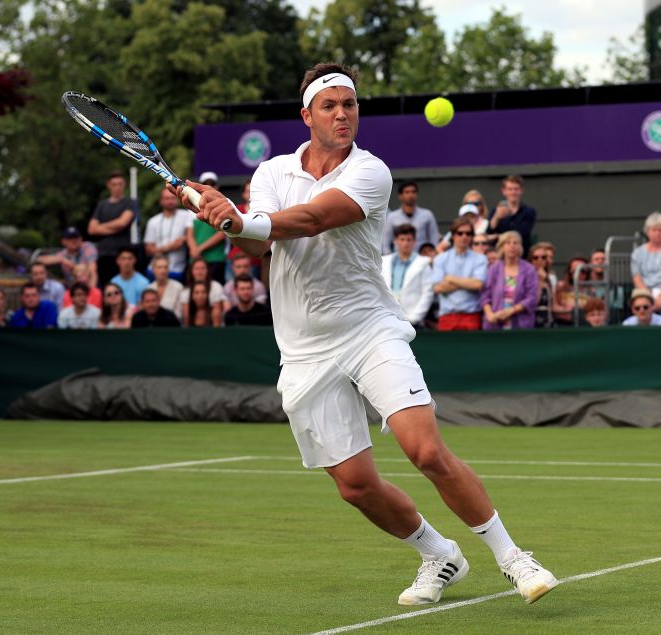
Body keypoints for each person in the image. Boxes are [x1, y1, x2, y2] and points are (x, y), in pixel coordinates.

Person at [171, 62, 557, 606]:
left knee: (425, 451)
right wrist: (223, 218)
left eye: (349, 104)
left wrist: (237, 219)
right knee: (355, 485)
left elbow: (308, 220)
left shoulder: (371, 172)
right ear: (306, 115)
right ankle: (438, 555)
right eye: (328, 105)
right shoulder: (272, 173)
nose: (341, 114)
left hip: (369, 329)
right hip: (303, 349)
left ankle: (514, 559)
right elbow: (259, 244)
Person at [432, 217, 488, 331]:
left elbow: (477, 285)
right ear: (453, 235)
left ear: (472, 236)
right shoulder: (440, 259)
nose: (464, 236)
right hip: (447, 316)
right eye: (460, 233)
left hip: (472, 316)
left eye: (468, 233)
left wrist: (450, 279)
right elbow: (437, 288)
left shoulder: (480, 259)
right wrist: (467, 282)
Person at [479, 230, 537, 330]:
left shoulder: (529, 269)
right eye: (508, 243)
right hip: (495, 323)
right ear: (502, 247)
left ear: (520, 247)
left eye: (515, 243)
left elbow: (532, 297)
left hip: (520, 323)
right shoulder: (494, 268)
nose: (512, 246)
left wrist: (511, 311)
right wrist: (489, 314)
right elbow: (485, 295)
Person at [88, 170, 136, 288]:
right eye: (114, 184)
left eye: (120, 184)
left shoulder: (130, 202)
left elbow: (123, 222)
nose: (117, 187)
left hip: (122, 256)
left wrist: (101, 227)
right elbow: (91, 229)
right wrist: (115, 227)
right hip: (103, 255)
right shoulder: (102, 205)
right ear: (108, 185)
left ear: (124, 184)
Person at [381, 224, 434, 328]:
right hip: (386, 317)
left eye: (409, 240)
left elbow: (427, 292)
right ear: (395, 241)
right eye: (402, 239)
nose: (406, 243)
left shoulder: (423, 262)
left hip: (413, 320)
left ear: (414, 242)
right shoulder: (384, 261)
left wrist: (414, 318)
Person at [186, 172, 228, 284]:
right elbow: (189, 233)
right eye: (206, 184)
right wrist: (195, 249)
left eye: (212, 184)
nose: (209, 187)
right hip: (196, 260)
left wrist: (199, 249)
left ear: (217, 186)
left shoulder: (224, 206)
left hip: (215, 259)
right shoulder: (191, 207)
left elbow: (223, 233)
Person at [144, 188, 192, 281]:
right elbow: (148, 249)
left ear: (178, 199)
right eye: (166, 198)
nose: (170, 201)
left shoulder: (186, 216)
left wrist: (185, 239)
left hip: (177, 269)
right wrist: (169, 247)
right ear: (161, 201)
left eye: (173, 198)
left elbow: (191, 235)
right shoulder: (153, 221)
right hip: (154, 270)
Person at [381, 181, 440, 255]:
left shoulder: (427, 215)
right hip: (399, 260)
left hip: (422, 259)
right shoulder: (392, 217)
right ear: (400, 196)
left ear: (417, 194)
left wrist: (431, 256)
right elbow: (385, 242)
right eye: (407, 192)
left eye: (413, 192)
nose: (411, 195)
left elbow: (434, 239)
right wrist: (389, 261)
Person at [487, 175, 536, 251]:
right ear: (504, 191)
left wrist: (497, 236)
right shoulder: (495, 211)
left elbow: (521, 234)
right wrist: (496, 218)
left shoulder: (529, 211)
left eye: (516, 189)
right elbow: (489, 233)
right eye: (510, 189)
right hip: (500, 253)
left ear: (521, 190)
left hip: (521, 254)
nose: (513, 192)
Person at [553, 255, 590, 326]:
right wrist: (570, 312)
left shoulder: (591, 290)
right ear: (569, 272)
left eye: (582, 271)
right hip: (563, 325)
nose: (578, 274)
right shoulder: (560, 287)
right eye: (575, 271)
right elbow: (554, 307)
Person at [528, 243, 554, 328]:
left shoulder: (549, 277)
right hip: (532, 321)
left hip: (547, 321)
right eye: (536, 258)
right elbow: (533, 302)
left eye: (543, 257)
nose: (540, 260)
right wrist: (539, 282)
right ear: (530, 260)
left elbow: (552, 303)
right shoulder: (526, 277)